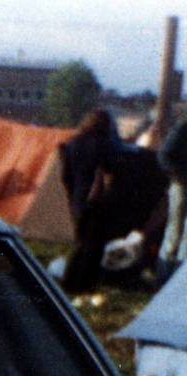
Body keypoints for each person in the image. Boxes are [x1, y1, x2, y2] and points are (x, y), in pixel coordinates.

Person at [59, 108, 121, 293]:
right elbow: (110, 172)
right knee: (93, 246)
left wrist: (73, 193)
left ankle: (69, 282)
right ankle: (84, 284)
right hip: (97, 199)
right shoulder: (104, 145)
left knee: (79, 242)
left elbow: (65, 175)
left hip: (77, 198)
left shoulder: (72, 143)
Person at [156, 118, 187, 287]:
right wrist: (180, 177)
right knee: (174, 233)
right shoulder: (182, 128)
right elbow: (164, 156)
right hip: (182, 187)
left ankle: (176, 281)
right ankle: (163, 278)